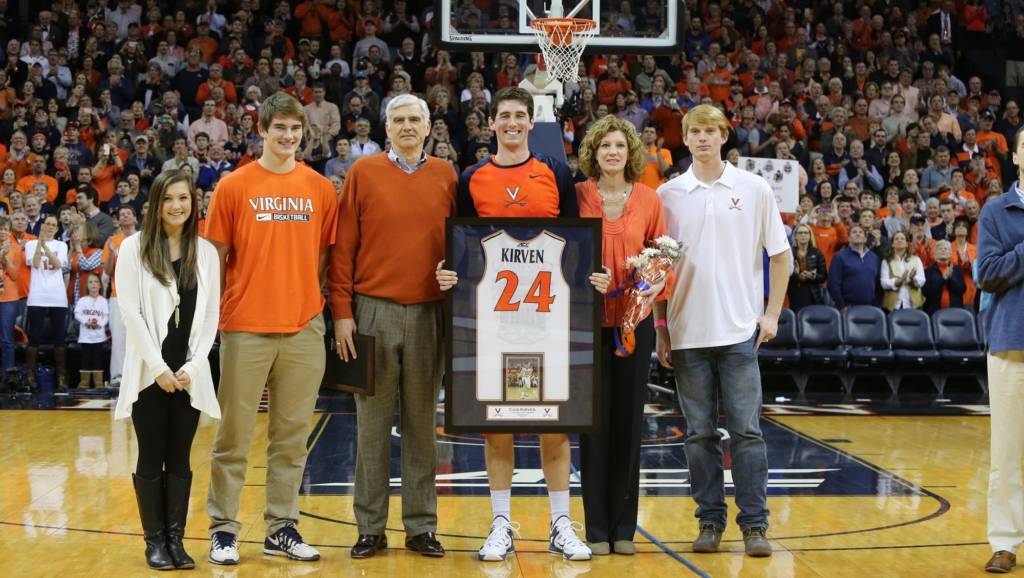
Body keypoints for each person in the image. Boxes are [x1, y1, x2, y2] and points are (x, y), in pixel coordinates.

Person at [435, 87, 591, 563]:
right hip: (493, 318)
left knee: (555, 422)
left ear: (530, 122)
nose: (512, 123)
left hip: (546, 315)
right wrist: (450, 271)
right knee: (496, 422)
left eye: (520, 116)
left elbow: (574, 239)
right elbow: (463, 243)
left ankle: (561, 523)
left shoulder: (554, 171)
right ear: (492, 124)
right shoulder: (472, 177)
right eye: (504, 116)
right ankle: (501, 521)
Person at [205, 92, 339, 565]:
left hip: (303, 328)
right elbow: (214, 259)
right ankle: (223, 528)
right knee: (233, 437)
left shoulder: (320, 189)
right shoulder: (233, 187)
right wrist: (213, 321)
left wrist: (310, 306)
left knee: (292, 438)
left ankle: (281, 526)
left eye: (295, 129)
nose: (288, 136)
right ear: (261, 130)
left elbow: (324, 259)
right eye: (279, 127)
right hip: (245, 327)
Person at [654, 104, 791, 558]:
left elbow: (781, 256)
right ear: (686, 139)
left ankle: (754, 525)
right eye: (695, 131)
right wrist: (661, 328)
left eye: (711, 130)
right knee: (698, 436)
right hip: (687, 332)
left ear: (724, 135)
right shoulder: (668, 194)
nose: (703, 138)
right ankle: (709, 521)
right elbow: (657, 267)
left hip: (737, 333)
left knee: (747, 433)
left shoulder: (753, 188)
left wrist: (771, 314)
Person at [328, 94, 455, 560]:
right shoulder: (363, 173)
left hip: (428, 312)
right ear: (386, 128)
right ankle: (370, 527)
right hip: (372, 311)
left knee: (422, 425)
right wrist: (342, 311)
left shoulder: (446, 175)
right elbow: (343, 249)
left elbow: (459, 246)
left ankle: (421, 526)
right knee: (372, 425)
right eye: (398, 120)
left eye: (414, 120)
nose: (406, 126)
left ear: (428, 127)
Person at [113, 169, 221, 570]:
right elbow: (131, 313)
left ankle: (176, 539)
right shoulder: (134, 248)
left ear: (193, 205)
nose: (178, 206)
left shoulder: (205, 252)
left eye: (185, 199)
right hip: (149, 376)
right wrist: (158, 368)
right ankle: (154, 541)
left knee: (180, 457)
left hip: (189, 377)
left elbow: (211, 316)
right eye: (170, 198)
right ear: (156, 204)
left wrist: (193, 367)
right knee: (150, 454)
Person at [573, 115, 664, 555]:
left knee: (629, 422)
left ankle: (624, 529)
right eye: (605, 145)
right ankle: (595, 526)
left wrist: (640, 282)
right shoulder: (577, 196)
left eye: (620, 146)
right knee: (593, 424)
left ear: (631, 153)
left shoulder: (649, 199)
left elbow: (663, 262)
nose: (612, 152)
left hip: (634, 322)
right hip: (587, 322)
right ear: (594, 152)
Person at [977, 127, 1024, 574]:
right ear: (1019, 155)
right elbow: (987, 274)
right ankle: (1005, 542)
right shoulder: (995, 210)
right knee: (1007, 451)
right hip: (1012, 342)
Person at [24, 214, 68, 389]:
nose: (50, 227)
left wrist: (45, 248)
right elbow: (35, 263)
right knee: (34, 337)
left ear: (57, 229)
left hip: (57, 296)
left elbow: (58, 264)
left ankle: (62, 377)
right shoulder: (30, 244)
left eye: (53, 225)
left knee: (59, 339)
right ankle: (29, 376)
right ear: (42, 226)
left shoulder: (61, 245)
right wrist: (39, 245)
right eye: (47, 224)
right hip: (37, 295)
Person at [104, 206, 139, 388]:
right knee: (118, 338)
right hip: (118, 295)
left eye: (128, 213)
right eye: (121, 215)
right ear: (117, 220)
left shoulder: (143, 239)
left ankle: (141, 377)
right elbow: (108, 271)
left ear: (135, 218)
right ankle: (118, 376)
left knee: (141, 337)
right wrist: (111, 252)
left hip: (139, 295)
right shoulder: (113, 240)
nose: (125, 216)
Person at [827, 225, 882, 308]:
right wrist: (842, 306)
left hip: (870, 307)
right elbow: (833, 283)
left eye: (860, 232)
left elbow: (878, 284)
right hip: (848, 307)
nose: (858, 234)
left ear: (865, 238)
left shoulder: (874, 257)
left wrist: (876, 305)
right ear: (848, 238)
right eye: (854, 232)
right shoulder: (839, 257)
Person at [73, 273, 108, 388]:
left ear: (100, 285)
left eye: (96, 282)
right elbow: (77, 314)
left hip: (99, 337)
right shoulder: (83, 300)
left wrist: (99, 324)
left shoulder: (103, 301)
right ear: (87, 286)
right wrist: (85, 322)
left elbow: (106, 316)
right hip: (85, 338)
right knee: (85, 359)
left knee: (98, 359)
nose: (93, 284)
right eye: (90, 282)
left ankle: (98, 382)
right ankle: (84, 382)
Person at [0, 216, 24, 384]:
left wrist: (5, 257)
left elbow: (14, 275)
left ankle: (8, 376)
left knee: (7, 338)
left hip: (8, 298)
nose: (2, 232)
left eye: (4, 229)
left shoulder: (15, 248)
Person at [880, 231, 926, 311]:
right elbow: (884, 283)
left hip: (913, 305)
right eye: (896, 239)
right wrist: (898, 281)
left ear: (907, 244)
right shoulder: (886, 261)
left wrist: (913, 279)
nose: (899, 240)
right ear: (892, 244)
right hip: (893, 306)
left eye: (902, 238)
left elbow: (922, 280)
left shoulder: (916, 259)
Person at [788, 223, 828, 311]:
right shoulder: (789, 253)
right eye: (800, 233)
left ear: (810, 236)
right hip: (795, 293)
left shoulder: (817, 253)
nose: (803, 235)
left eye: (806, 233)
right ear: (795, 236)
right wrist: (798, 277)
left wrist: (814, 276)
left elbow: (824, 276)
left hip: (813, 294)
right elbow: (784, 276)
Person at [922, 239, 966, 314]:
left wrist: (950, 278)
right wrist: (942, 279)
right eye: (940, 249)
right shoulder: (928, 271)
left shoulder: (957, 269)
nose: (943, 250)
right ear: (935, 253)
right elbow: (926, 292)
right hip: (933, 312)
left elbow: (961, 289)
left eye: (945, 249)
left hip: (955, 312)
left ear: (950, 253)